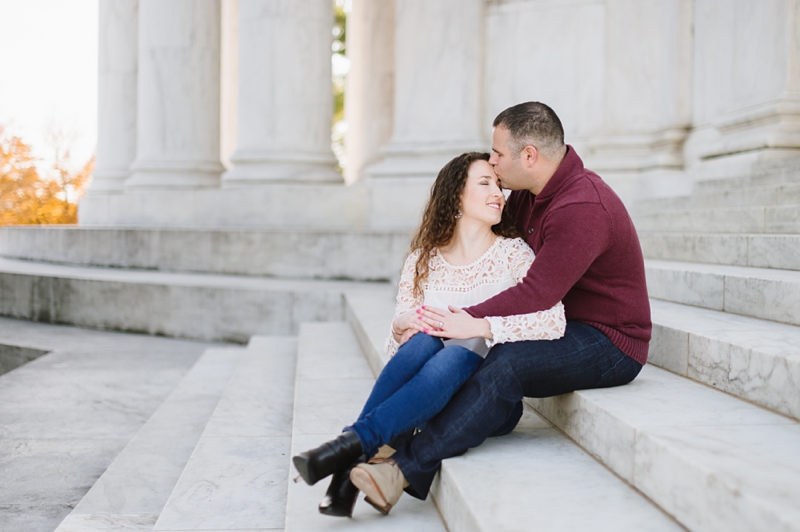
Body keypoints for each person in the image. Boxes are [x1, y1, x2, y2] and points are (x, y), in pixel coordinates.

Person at [348, 102, 652, 513]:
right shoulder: (528, 196)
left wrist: (467, 320)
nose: (492, 161)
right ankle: (375, 437)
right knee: (460, 353)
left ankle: (403, 468)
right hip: (563, 323)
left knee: (505, 362)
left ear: (529, 156)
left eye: (498, 155)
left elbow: (536, 294)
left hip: (610, 340)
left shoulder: (583, 207)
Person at [292, 152, 567, 517]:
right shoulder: (423, 259)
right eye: (485, 182)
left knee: (459, 349)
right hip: (425, 397)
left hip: (486, 402)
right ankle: (350, 455)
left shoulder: (513, 254)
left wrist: (481, 327)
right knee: (423, 339)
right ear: (456, 196)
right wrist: (399, 326)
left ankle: (346, 452)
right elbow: (401, 355)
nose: (498, 192)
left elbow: (554, 320)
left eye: (499, 184)